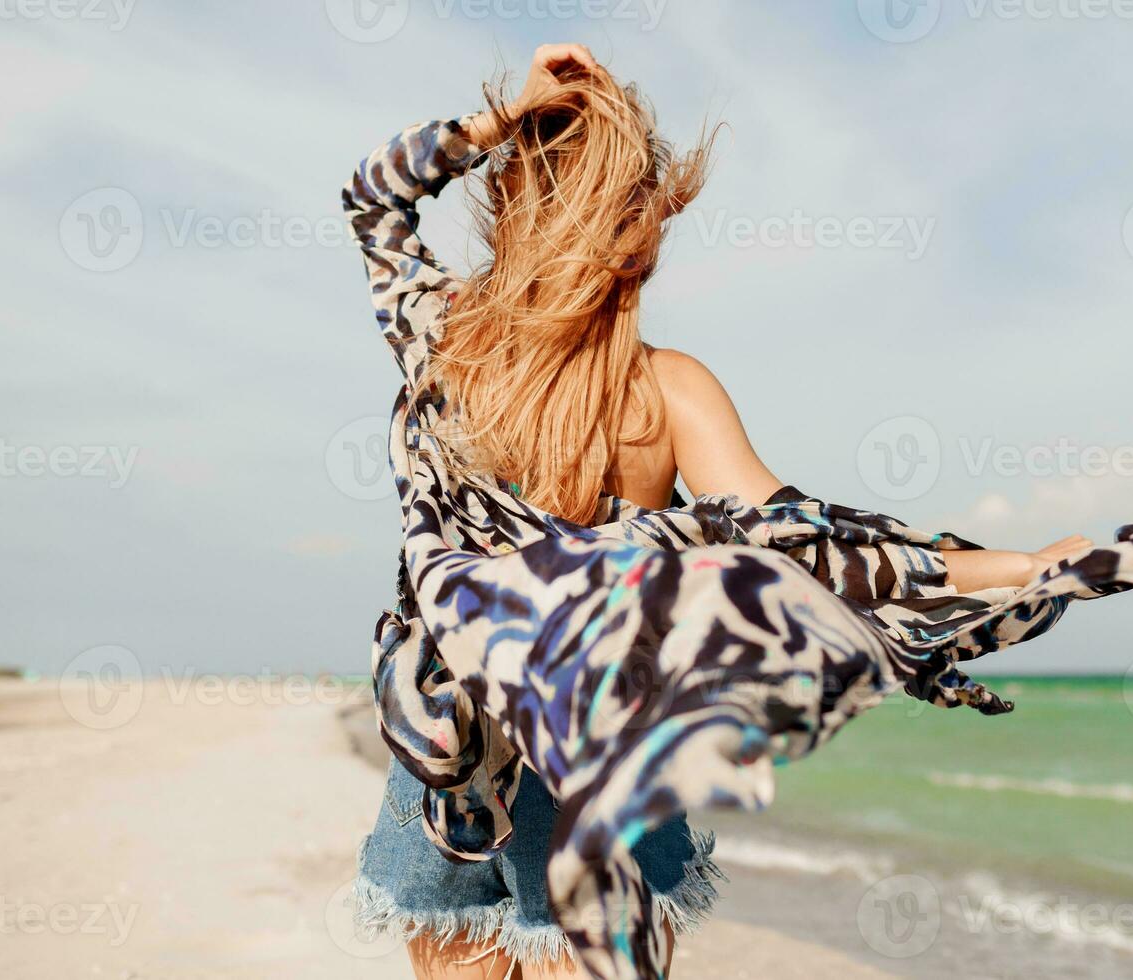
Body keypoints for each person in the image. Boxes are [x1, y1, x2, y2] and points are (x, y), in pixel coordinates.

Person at [342, 43, 1093, 979]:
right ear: (634, 232)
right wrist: (1014, 569)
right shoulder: (668, 394)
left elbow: (372, 198)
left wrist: (503, 115)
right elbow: (812, 548)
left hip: (448, 756)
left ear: (510, 203)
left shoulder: (445, 347)